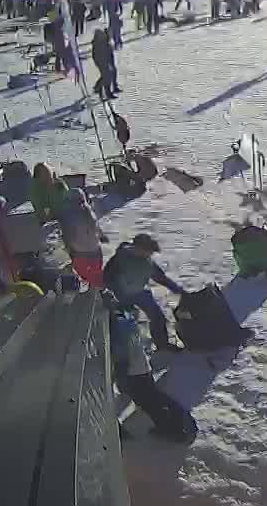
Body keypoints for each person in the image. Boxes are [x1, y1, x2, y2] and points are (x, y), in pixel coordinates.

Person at [107, 296, 197, 442]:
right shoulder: (123, 317)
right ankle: (179, 424)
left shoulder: (115, 328)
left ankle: (177, 429)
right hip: (140, 365)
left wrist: (121, 376)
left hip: (132, 371)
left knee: (151, 402)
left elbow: (122, 355)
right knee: (152, 399)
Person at [105, 234, 186, 350]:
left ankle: (162, 344)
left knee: (157, 317)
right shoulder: (120, 259)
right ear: (137, 248)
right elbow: (107, 278)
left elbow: (160, 278)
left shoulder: (147, 261)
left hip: (140, 293)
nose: (150, 254)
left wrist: (177, 290)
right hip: (120, 295)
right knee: (125, 324)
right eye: (148, 251)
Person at [58, 188, 105, 287]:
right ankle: (98, 287)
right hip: (96, 248)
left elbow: (68, 235)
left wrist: (69, 248)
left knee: (83, 273)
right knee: (96, 272)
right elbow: (97, 227)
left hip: (80, 251)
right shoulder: (89, 211)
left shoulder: (67, 215)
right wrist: (102, 236)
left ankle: (91, 285)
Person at [90, 27, 119, 100]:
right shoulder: (98, 43)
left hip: (107, 59)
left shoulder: (105, 39)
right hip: (101, 61)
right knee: (106, 76)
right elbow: (96, 55)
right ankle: (107, 92)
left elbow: (109, 49)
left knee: (108, 74)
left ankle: (98, 87)